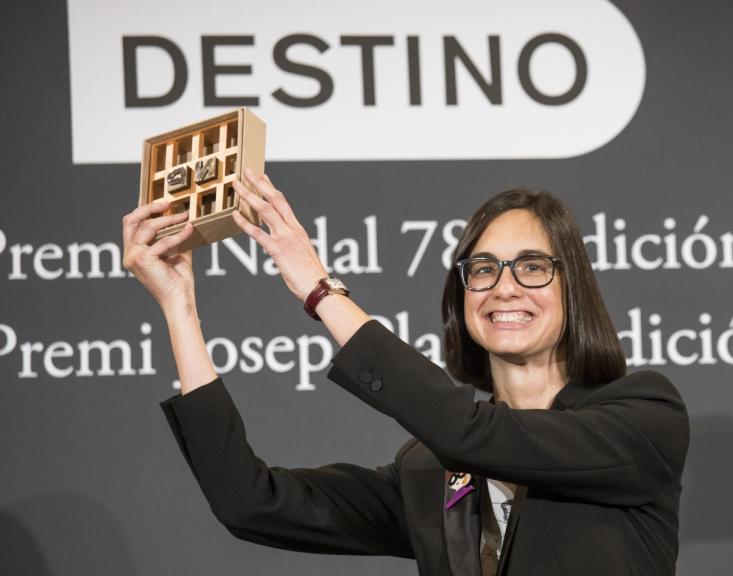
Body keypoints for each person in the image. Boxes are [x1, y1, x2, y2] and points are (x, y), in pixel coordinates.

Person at [122, 169, 690, 576]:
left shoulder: (641, 415)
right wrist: (179, 305)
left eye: (533, 267)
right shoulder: (427, 471)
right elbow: (250, 502)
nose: (505, 287)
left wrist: (322, 293)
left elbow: (474, 434)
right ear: (462, 297)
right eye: (484, 269)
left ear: (575, 290)